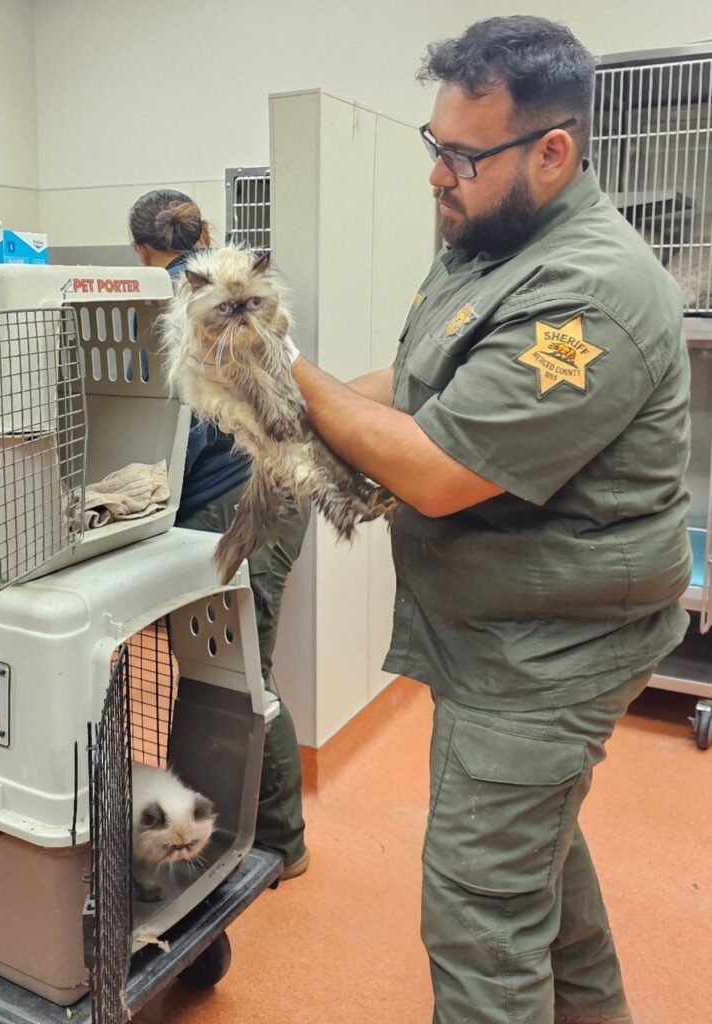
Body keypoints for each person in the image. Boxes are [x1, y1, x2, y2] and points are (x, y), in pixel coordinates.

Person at [281, 17, 690, 1024]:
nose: (437, 176)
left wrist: (281, 365)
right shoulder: (491, 244)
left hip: (549, 653)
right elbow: (415, 382)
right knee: (539, 889)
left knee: (479, 918)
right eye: (436, 147)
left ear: (552, 151)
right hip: (501, 634)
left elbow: (439, 468)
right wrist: (305, 391)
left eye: (462, 156)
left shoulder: (588, 289)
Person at [129, 189, 311, 880]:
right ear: (206, 231)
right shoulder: (249, 288)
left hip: (236, 504)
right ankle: (230, 832)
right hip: (267, 490)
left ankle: (280, 844)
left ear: (143, 251)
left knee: (240, 679)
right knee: (230, 675)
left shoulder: (164, 303)